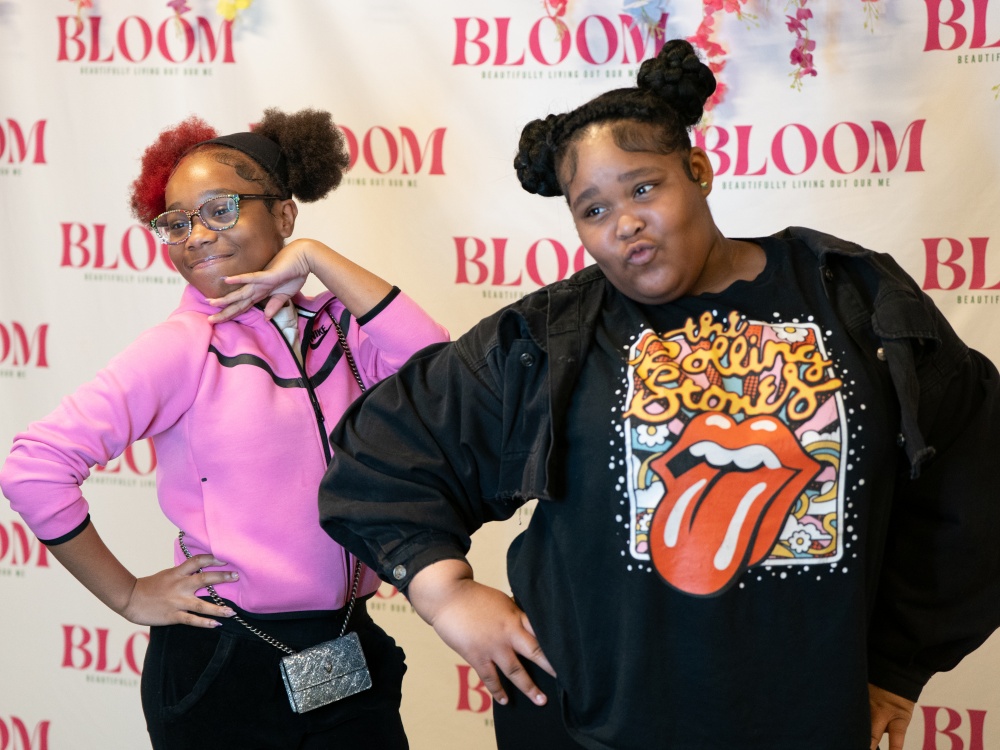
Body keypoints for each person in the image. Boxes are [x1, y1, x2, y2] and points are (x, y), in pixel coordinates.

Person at [315, 40, 1000, 750]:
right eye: (594, 209)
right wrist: (443, 592)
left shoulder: (850, 296)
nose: (625, 223)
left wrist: (897, 665)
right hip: (594, 727)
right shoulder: (550, 337)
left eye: (644, 188)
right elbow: (384, 452)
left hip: (804, 721)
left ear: (697, 170)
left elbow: (975, 474)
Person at [0, 108, 448, 749]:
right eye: (175, 222)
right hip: (224, 661)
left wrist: (319, 260)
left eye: (220, 209)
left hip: (348, 644)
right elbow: (33, 466)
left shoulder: (344, 331)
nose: (195, 236)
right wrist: (128, 595)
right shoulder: (184, 345)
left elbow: (436, 369)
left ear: (285, 216)